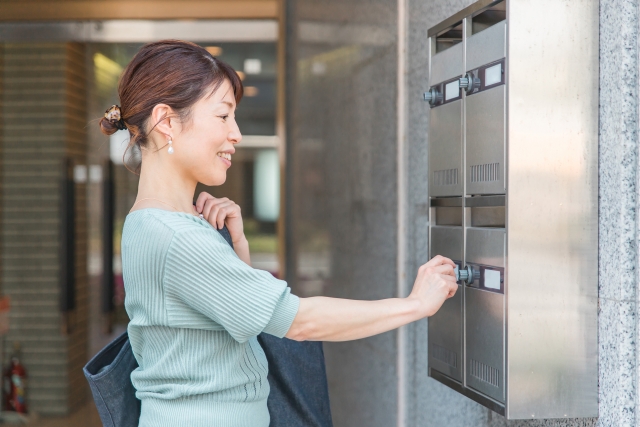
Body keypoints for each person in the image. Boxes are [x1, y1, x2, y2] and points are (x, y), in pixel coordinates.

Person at [99, 40, 457, 427]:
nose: (235, 134)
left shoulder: (150, 222)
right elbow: (300, 321)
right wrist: (416, 304)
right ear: (166, 121)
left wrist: (236, 250)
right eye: (223, 116)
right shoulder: (176, 236)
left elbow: (228, 326)